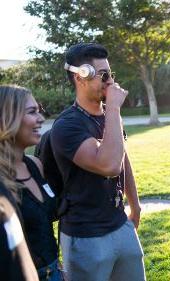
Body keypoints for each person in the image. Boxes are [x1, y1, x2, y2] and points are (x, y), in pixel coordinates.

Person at [50, 43, 146, 281]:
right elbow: (109, 165)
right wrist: (113, 107)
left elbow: (122, 159)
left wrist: (135, 205)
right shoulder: (66, 126)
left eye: (111, 75)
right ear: (80, 76)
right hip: (85, 236)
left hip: (120, 223)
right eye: (104, 75)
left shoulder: (109, 117)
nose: (110, 82)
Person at [0, 85, 61, 281]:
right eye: (32, 112)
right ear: (7, 118)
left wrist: (57, 268)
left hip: (53, 271)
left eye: (39, 110)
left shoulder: (35, 165)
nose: (41, 119)